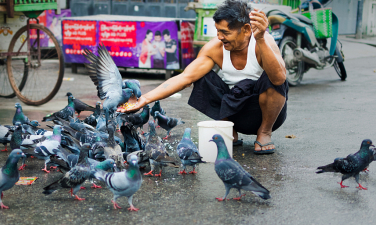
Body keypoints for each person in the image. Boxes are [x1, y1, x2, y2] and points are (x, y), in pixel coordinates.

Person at [120, 0, 287, 155]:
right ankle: (229, 131)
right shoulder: (215, 48)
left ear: (245, 30)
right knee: (201, 77)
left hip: (265, 113)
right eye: (218, 31)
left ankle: (264, 132)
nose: (220, 37)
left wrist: (261, 39)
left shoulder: (264, 43)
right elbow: (185, 77)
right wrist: (145, 99)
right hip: (233, 112)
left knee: (273, 75)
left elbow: (279, 79)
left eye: (225, 32)